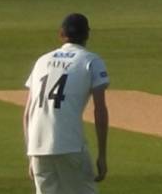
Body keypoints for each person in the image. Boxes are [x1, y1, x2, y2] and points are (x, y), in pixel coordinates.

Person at [23, 13, 109, 194]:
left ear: (61, 33)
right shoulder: (91, 61)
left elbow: (28, 113)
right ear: (87, 35)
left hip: (38, 146)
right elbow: (100, 110)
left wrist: (31, 153)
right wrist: (102, 154)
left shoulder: (42, 61)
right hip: (70, 144)